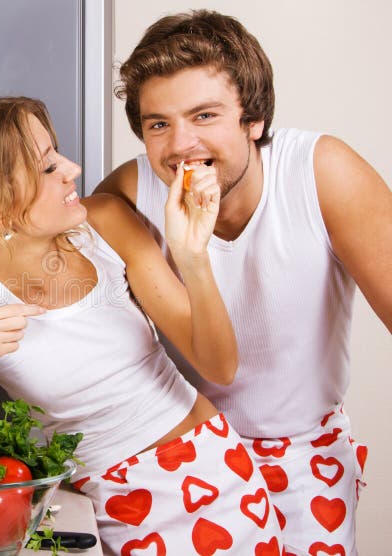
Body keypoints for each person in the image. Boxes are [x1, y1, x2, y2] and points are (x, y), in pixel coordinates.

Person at [0, 97, 283, 555]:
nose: (72, 168)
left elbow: (220, 366)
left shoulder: (106, 225)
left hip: (218, 472)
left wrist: (192, 257)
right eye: (47, 166)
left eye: (57, 154)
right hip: (113, 505)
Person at [95, 10, 392, 555]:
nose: (181, 143)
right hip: (176, 459)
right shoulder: (128, 196)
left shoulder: (321, 173)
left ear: (253, 118)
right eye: (158, 123)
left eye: (204, 115)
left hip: (305, 457)